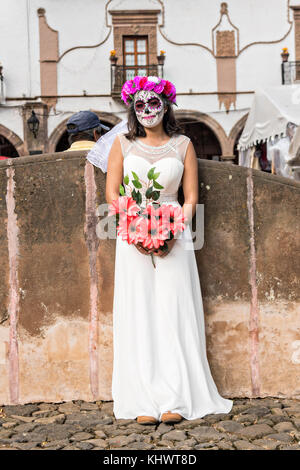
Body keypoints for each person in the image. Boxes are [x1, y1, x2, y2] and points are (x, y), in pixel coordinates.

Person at [105, 76, 233, 425]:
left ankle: (176, 397)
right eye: (141, 105)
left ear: (165, 106)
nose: (148, 111)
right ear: (133, 108)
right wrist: (134, 221)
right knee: (140, 310)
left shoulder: (184, 145)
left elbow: (191, 198)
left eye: (154, 104)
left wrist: (171, 229)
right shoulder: (121, 144)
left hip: (175, 235)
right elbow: (112, 194)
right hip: (131, 235)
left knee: (173, 311)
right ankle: (143, 398)